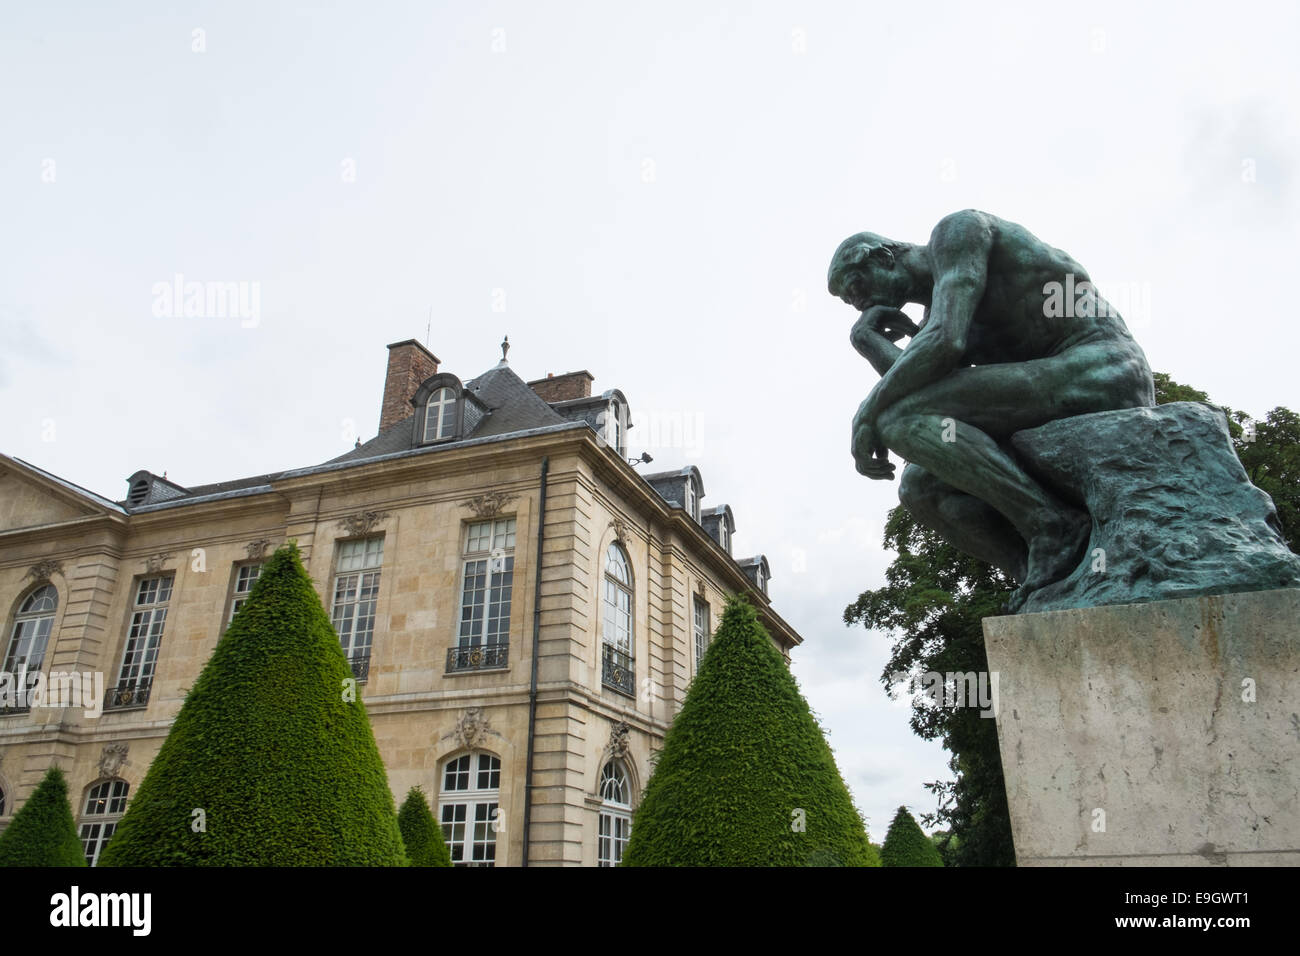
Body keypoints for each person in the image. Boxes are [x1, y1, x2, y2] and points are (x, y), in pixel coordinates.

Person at [829, 209, 1154, 608]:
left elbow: (945, 345)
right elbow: (918, 380)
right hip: (1048, 384)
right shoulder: (937, 310)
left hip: (1103, 368)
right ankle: (1043, 577)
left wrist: (866, 414)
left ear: (881, 256)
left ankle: (1053, 526)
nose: (858, 303)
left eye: (857, 287)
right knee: (919, 487)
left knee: (897, 419)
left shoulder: (958, 233)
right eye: (850, 302)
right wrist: (866, 340)